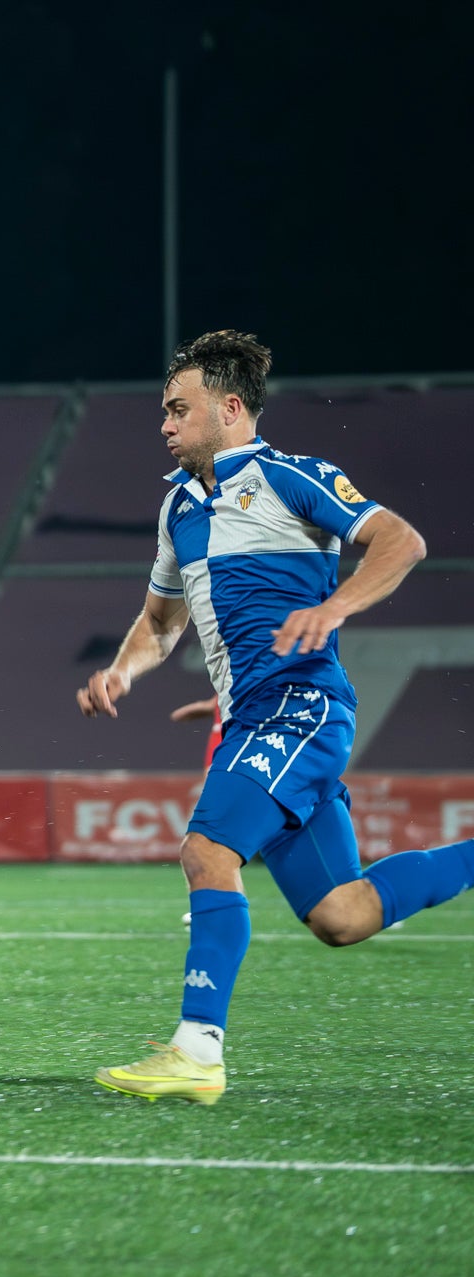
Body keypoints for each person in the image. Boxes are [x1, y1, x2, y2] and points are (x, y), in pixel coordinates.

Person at [78, 330, 463, 1106]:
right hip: (256, 712)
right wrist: (122, 668)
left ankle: (197, 1049)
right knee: (341, 914)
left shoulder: (291, 477)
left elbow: (401, 539)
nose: (165, 424)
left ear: (229, 408)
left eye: (179, 409)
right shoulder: (178, 506)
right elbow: (160, 624)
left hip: (301, 707)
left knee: (207, 850)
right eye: (163, 411)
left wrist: (335, 605)